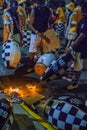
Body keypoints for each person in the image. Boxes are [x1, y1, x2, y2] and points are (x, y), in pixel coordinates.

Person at [65, 2, 87, 89]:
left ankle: (75, 83)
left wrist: (71, 46)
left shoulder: (85, 21)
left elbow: (81, 36)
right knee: (74, 63)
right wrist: (70, 44)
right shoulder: (82, 20)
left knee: (78, 66)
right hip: (77, 47)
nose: (82, 12)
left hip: (82, 48)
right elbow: (76, 33)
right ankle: (70, 78)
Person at [28, 0, 53, 68]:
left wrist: (48, 29)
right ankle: (31, 65)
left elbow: (50, 22)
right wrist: (37, 32)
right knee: (32, 50)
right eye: (39, 3)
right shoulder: (34, 10)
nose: (40, 5)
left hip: (44, 34)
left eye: (41, 3)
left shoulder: (48, 10)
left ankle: (41, 65)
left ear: (44, 3)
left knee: (43, 50)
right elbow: (30, 25)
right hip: (35, 34)